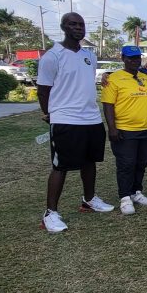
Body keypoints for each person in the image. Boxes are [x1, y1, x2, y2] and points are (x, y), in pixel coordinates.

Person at [37, 12, 114, 233]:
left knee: (89, 161)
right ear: (63, 27)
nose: (78, 28)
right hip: (65, 119)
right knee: (60, 166)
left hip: (91, 118)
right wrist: (50, 114)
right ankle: (50, 213)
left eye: (81, 24)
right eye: (73, 24)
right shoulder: (53, 56)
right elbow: (43, 90)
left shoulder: (88, 55)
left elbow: (85, 82)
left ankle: (88, 200)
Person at [101, 46, 147, 215]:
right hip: (125, 129)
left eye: (137, 58)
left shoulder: (145, 77)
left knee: (141, 162)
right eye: (130, 58)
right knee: (126, 164)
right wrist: (112, 128)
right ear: (123, 58)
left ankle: (136, 192)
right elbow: (108, 105)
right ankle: (124, 197)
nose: (134, 61)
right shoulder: (114, 78)